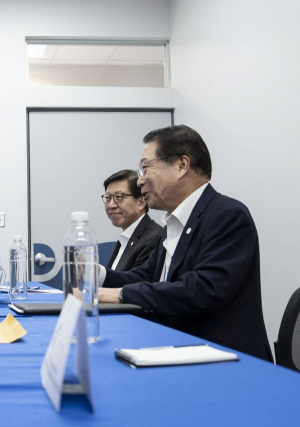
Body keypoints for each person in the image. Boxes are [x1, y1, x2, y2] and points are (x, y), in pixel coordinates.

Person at [98, 125, 272, 361]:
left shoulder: (228, 215)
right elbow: (146, 276)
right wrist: (96, 275)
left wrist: (120, 295)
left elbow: (204, 288)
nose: (140, 181)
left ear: (182, 165)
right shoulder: (172, 223)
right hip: (177, 350)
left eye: (145, 167)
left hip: (225, 360)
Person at [101, 169, 162, 271]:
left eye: (119, 197)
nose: (111, 205)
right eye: (107, 198)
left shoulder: (153, 239)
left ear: (141, 202)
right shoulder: (125, 238)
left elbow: (136, 284)